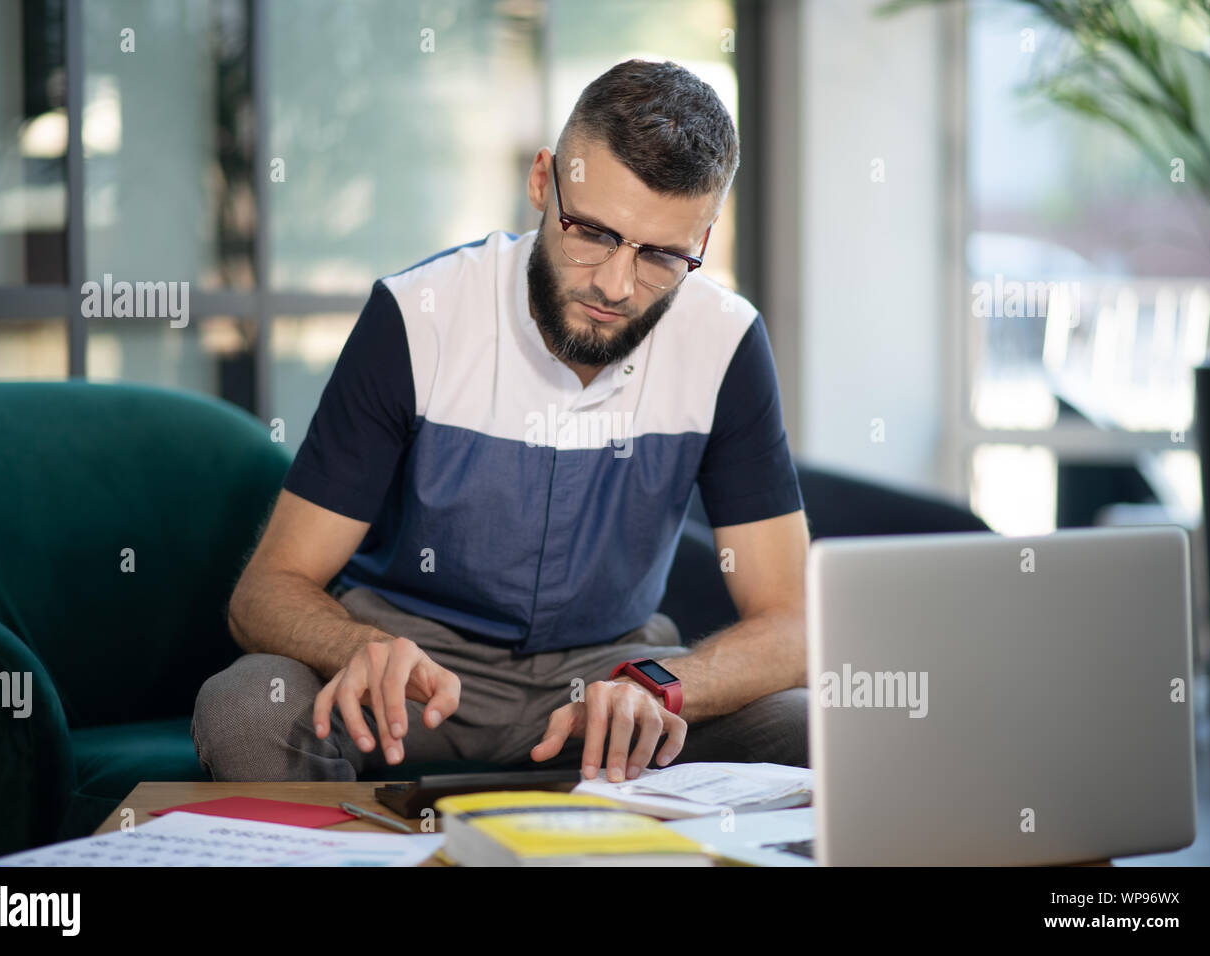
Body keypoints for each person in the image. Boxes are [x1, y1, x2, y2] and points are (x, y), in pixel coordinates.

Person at [192, 58, 811, 785]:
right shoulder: (418, 317)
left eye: (663, 257)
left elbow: (793, 621)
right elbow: (265, 590)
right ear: (544, 182)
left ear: (702, 242)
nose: (615, 285)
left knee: (806, 726)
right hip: (418, 681)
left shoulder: (726, 340)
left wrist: (660, 687)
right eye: (592, 233)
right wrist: (356, 647)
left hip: (611, 685)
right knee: (245, 708)